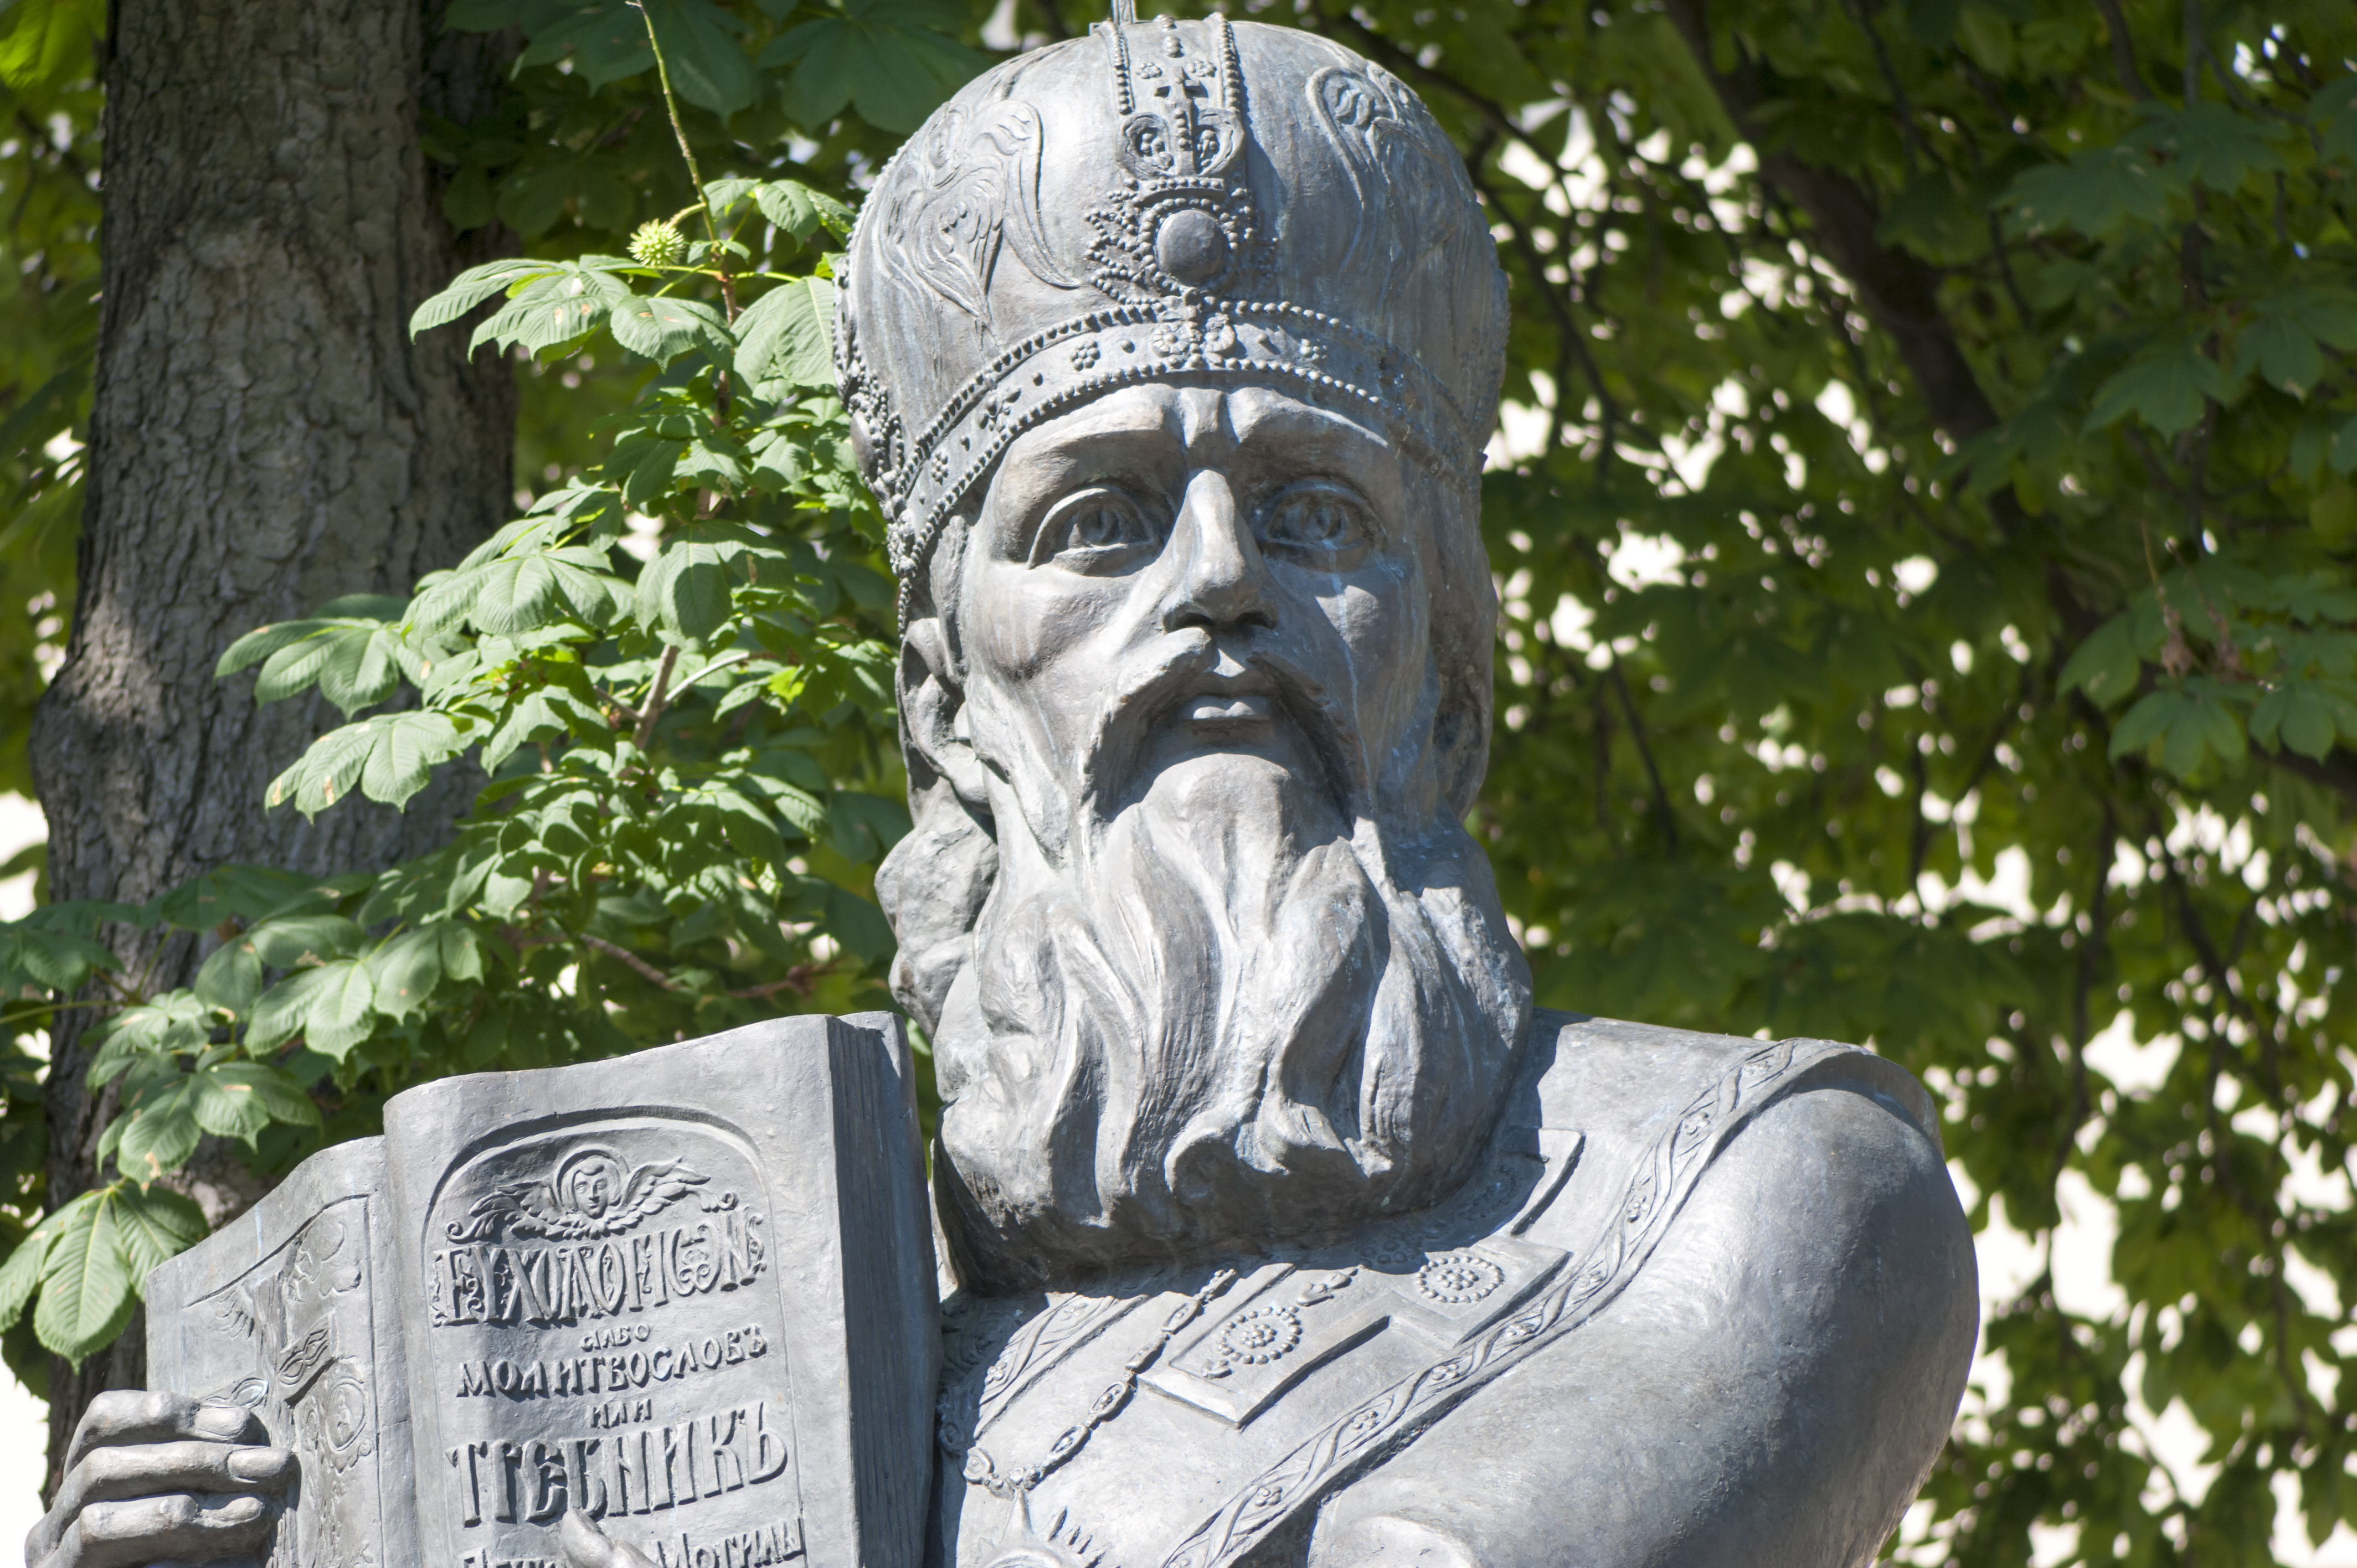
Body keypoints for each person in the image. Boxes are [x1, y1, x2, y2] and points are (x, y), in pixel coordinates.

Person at [27, 12, 1975, 1568]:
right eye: (1098, 521)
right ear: (950, 701)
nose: (1220, 582)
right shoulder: (812, 1354)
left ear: (1447, 665)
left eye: (1318, 513)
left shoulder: (1745, 1190)